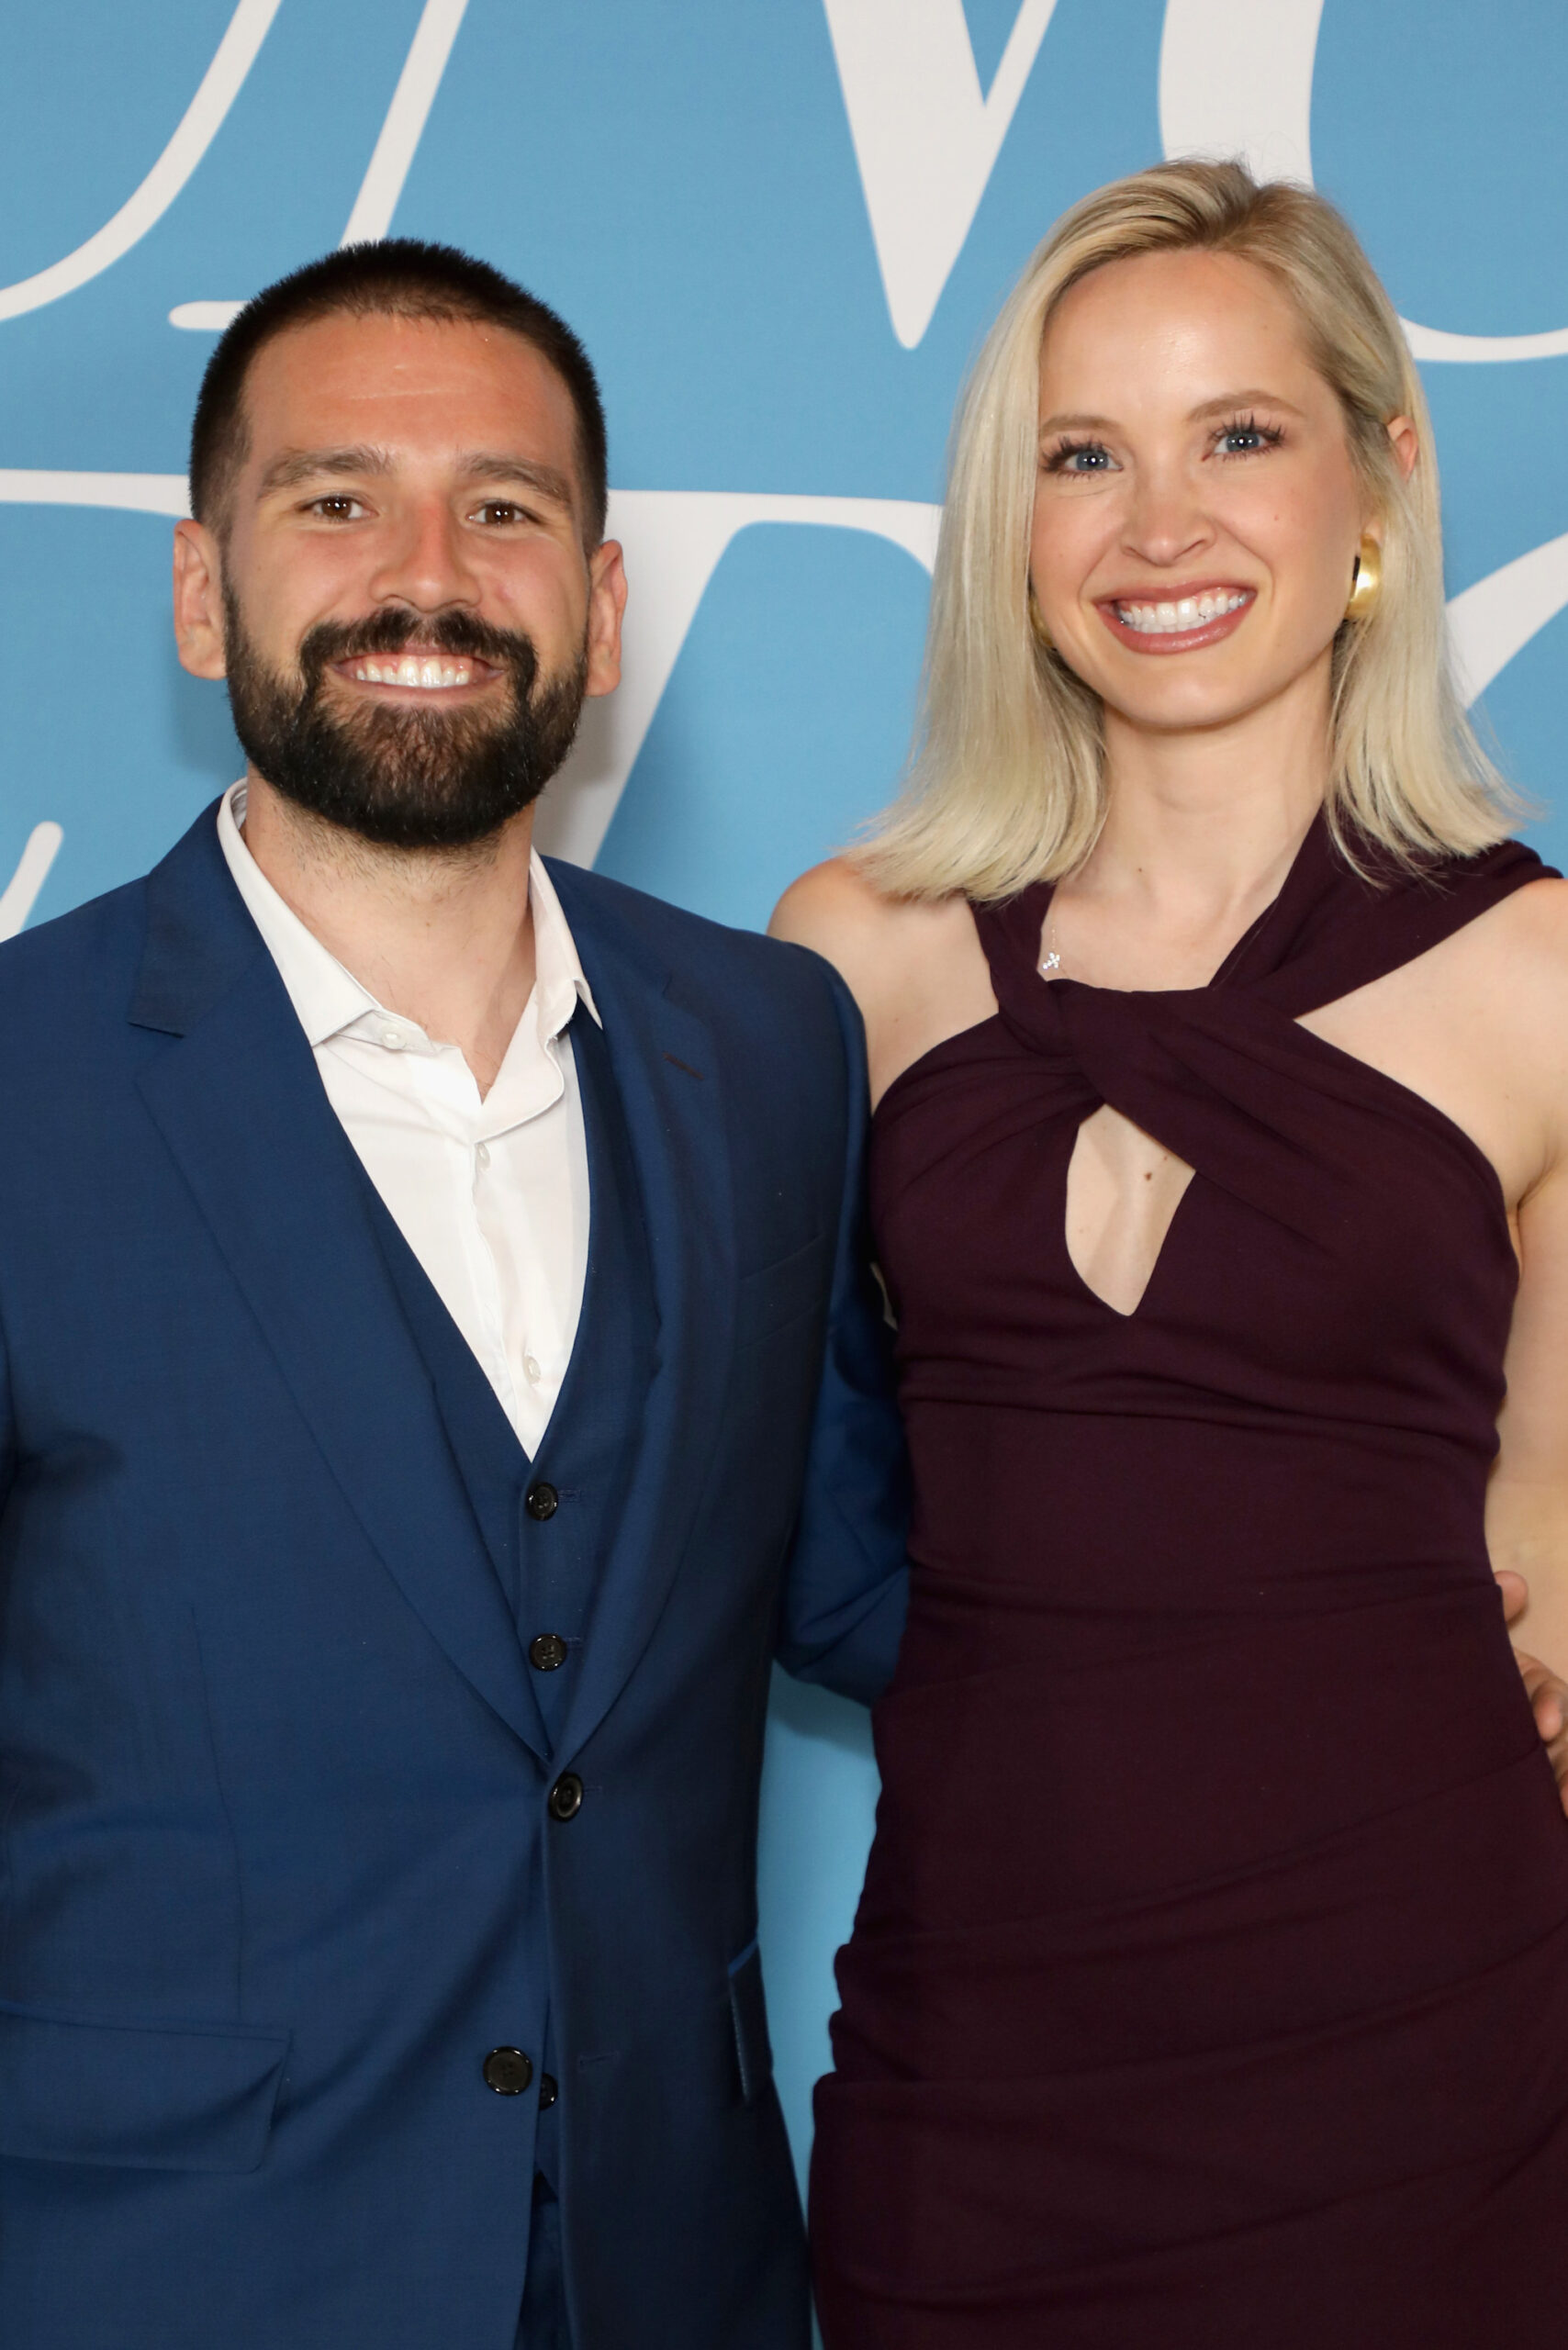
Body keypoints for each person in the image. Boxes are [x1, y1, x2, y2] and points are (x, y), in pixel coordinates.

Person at [0, 240, 910, 2350]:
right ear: (200, 589)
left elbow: (885, 1582)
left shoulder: (773, 1042)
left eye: (503, 507)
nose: (426, 573)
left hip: (675, 2268)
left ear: (597, 614)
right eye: (335, 500)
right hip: (151, 2275)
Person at [774, 162, 1568, 2344]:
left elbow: (1554, 1613)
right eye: (1079, 454)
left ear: (1376, 476)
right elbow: (763, 1495)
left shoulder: (1543, 980)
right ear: (1006, 527)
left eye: (1237, 434)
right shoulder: (853, 963)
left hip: (1413, 2057)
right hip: (976, 2054)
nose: (1159, 526)